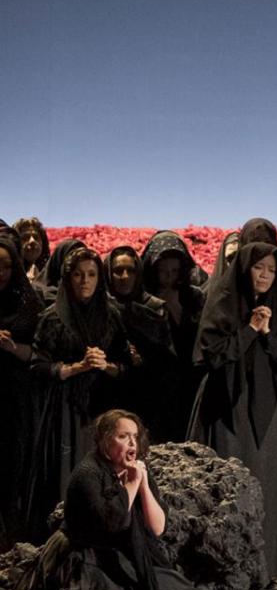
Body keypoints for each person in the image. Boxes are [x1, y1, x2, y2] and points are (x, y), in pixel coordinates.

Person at [186, 242, 277, 581]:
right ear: (245, 269)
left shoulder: (275, 307)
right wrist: (249, 331)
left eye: (272, 270)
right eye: (260, 268)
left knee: (270, 478)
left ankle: (273, 564)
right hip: (227, 404)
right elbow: (210, 355)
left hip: (266, 405)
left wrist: (267, 334)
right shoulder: (223, 301)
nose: (266, 276)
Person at [5, 410, 206, 590]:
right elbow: (112, 522)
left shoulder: (137, 470)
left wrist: (144, 485)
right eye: (123, 436)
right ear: (105, 440)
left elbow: (157, 528)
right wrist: (131, 484)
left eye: (135, 437)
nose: (131, 443)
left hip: (118, 555)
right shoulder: (88, 473)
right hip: (83, 554)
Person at [26, 247, 133, 544]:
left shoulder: (112, 315)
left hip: (102, 408)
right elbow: (38, 365)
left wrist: (106, 366)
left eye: (91, 274)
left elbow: (127, 365)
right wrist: (76, 368)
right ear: (67, 278)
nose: (85, 281)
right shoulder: (53, 317)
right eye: (77, 275)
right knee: (65, 472)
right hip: (64, 411)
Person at [138, 232, 206, 444]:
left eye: (174, 271)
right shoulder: (141, 296)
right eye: (163, 271)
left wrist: (175, 307)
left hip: (187, 381)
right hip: (152, 385)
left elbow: (198, 338)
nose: (169, 276)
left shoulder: (193, 297)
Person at [101, 245, 174, 439]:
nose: (124, 276)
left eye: (130, 271)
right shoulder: (99, 309)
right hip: (106, 395)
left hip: (148, 398)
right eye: (117, 271)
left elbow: (167, 359)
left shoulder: (154, 308)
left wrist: (144, 359)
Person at [0, 233, 44, 544]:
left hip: (15, 398)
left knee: (12, 468)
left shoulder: (27, 303)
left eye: (4, 266)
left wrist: (12, 347)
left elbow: (39, 351)